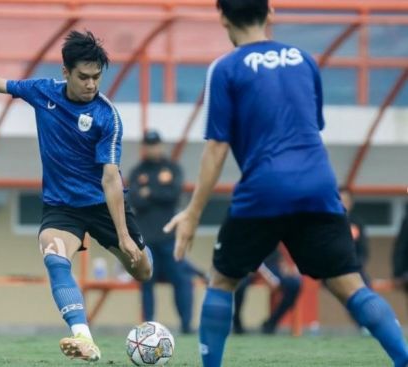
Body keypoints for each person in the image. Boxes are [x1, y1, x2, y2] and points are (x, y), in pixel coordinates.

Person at [163, 1, 408, 366]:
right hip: (318, 186)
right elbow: (313, 127)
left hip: (264, 189)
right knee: (349, 284)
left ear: (223, 18)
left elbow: (216, 148)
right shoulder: (304, 60)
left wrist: (193, 213)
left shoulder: (226, 68)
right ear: (271, 13)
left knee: (222, 281)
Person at [0, 30, 153, 363]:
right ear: (66, 72)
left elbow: (111, 178)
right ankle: (83, 337)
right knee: (54, 257)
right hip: (62, 207)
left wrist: (124, 236)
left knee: (143, 271)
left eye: (97, 77)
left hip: (102, 205)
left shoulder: (106, 116)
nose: (91, 84)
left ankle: (134, 249)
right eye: (83, 77)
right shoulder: (43, 92)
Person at [128, 130, 205, 335]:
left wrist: (149, 191)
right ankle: (148, 329)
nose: (152, 148)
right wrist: (156, 192)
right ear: (144, 147)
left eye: (155, 144)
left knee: (182, 281)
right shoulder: (137, 172)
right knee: (146, 284)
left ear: (160, 146)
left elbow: (174, 194)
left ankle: (187, 325)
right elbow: (134, 199)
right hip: (146, 241)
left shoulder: (172, 168)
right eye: (148, 145)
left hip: (169, 240)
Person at [232, 245, 302, 335]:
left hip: (272, 264)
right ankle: (237, 323)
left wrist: (284, 266)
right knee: (240, 285)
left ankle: (272, 322)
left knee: (294, 284)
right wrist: (268, 277)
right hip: (248, 263)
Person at [340, 187, 371, 286]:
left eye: (345, 201)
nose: (342, 204)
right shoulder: (326, 223)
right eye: (339, 200)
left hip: (354, 269)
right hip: (332, 270)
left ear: (351, 203)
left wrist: (355, 266)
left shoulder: (357, 223)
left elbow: (363, 250)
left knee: (365, 285)